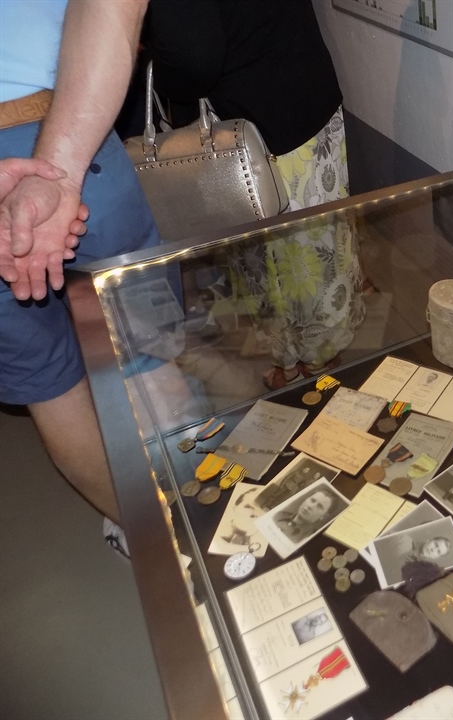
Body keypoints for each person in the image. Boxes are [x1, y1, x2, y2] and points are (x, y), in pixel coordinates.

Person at [0, 0, 197, 551]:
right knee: (146, 354)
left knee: (50, 385)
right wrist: (59, 177)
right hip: (73, 145)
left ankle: (152, 538)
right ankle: (205, 524)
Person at [142, 0, 366, 390]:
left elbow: (193, 61)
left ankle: (301, 361)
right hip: (299, 92)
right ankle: (315, 357)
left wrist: (150, 57)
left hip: (249, 131)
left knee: (268, 259)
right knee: (315, 250)